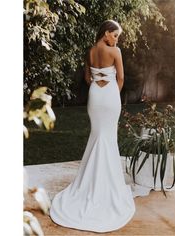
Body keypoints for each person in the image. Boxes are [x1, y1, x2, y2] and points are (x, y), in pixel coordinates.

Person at [50, 20, 136, 233]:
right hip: (110, 97)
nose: (117, 39)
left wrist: (98, 88)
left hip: (95, 97)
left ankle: (89, 184)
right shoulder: (115, 51)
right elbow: (121, 78)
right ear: (106, 33)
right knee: (108, 139)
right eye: (115, 35)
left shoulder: (90, 51)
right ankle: (106, 186)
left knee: (97, 137)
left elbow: (88, 78)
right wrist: (112, 93)